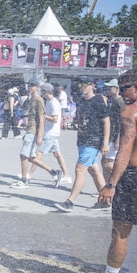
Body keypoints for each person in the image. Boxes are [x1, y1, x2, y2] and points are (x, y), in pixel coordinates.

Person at [78, 70, 137, 273]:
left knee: (121, 232)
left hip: (134, 177)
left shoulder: (130, 111)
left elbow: (124, 150)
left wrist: (110, 184)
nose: (121, 94)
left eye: (124, 88)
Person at [55, 76, 110, 212]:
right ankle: (106, 201)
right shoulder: (80, 102)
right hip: (82, 140)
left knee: (79, 170)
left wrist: (105, 142)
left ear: (92, 85)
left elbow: (106, 121)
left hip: (93, 141)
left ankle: (70, 202)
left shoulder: (98, 100)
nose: (82, 88)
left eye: (84, 85)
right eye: (80, 85)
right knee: (94, 171)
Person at [10, 80, 61, 188]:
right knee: (31, 158)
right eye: (29, 85)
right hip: (30, 130)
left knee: (23, 155)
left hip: (34, 131)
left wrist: (39, 136)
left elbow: (41, 118)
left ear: (37, 87)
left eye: (32, 86)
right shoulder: (32, 99)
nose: (30, 88)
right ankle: (53, 172)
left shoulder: (38, 100)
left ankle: (24, 181)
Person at [28, 82, 69, 186]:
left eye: (42, 91)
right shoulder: (49, 102)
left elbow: (55, 119)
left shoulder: (54, 103)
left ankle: (29, 174)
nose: (41, 92)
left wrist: (42, 115)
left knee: (38, 154)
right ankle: (67, 176)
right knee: (57, 154)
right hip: (53, 132)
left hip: (50, 132)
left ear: (46, 92)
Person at [101, 79, 125, 184]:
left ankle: (115, 185)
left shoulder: (120, 102)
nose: (108, 89)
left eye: (110, 87)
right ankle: (107, 185)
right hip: (111, 135)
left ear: (117, 89)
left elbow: (122, 122)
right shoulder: (114, 101)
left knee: (108, 163)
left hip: (115, 136)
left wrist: (119, 139)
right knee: (104, 161)